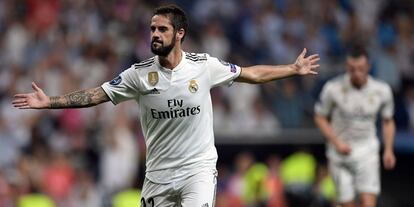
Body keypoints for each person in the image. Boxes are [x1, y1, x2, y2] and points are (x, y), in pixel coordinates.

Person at [12, 4, 320, 207]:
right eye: (152, 29)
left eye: (162, 29)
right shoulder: (139, 74)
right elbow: (97, 95)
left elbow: (250, 74)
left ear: (179, 33)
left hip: (196, 171)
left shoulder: (204, 66)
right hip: (157, 175)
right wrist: (49, 101)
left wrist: (291, 69)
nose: (155, 35)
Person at [314, 45, 396, 207]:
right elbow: (320, 117)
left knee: (368, 202)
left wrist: (388, 149)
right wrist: (336, 142)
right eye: (352, 69)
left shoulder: (381, 90)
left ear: (368, 67)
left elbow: (388, 120)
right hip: (340, 154)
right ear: (347, 67)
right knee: (347, 203)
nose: (356, 73)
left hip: (367, 151)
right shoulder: (333, 88)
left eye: (360, 69)